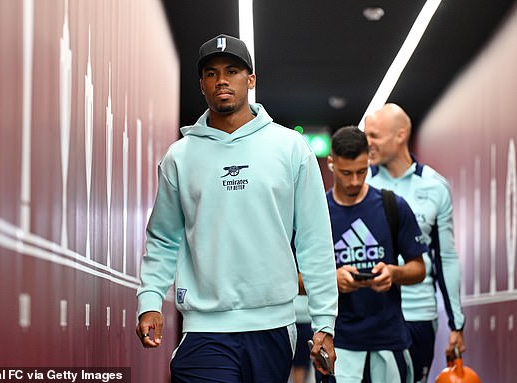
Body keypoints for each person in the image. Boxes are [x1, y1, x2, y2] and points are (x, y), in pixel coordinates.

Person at [135, 34, 338, 383]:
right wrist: (150, 299)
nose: (222, 80)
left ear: (251, 80)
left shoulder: (290, 148)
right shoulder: (180, 157)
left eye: (232, 71)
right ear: (202, 85)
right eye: (211, 74)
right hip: (204, 328)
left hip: (273, 327)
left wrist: (324, 322)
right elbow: (164, 238)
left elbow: (314, 240)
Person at [364, 103, 466, 382]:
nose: (367, 143)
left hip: (419, 314)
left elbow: (446, 257)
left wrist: (457, 324)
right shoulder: (361, 186)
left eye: (374, 136)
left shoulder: (434, 186)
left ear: (400, 135)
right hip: (371, 314)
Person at [317, 126, 427, 383]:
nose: (355, 181)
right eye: (346, 173)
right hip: (338, 341)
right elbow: (293, 278)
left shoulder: (392, 205)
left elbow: (418, 268)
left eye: (361, 171)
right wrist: (330, 280)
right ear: (331, 163)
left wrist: (393, 273)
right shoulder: (318, 213)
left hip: (389, 339)